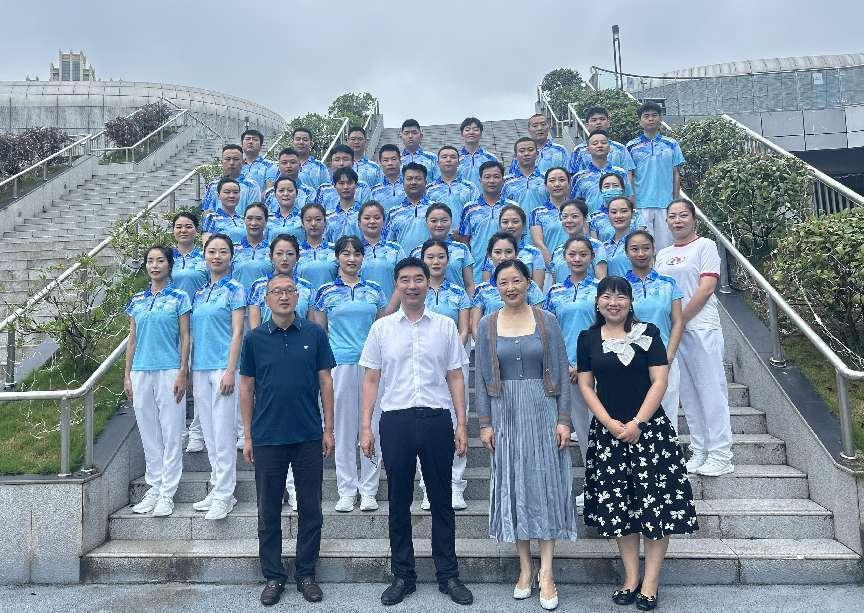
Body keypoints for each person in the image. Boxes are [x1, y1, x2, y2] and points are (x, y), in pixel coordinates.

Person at [577, 275, 697, 611]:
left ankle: (650, 583)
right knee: (621, 510)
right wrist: (609, 423)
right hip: (609, 435)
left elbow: (659, 380)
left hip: (650, 433)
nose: (613, 302)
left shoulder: (649, 333)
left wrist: (638, 423)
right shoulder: (588, 339)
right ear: (597, 302)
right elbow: (586, 385)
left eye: (620, 296)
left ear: (630, 302)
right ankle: (631, 578)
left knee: (655, 508)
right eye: (606, 296)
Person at [358, 257, 473, 607]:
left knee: (441, 500)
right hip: (396, 421)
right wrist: (365, 426)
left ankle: (448, 574)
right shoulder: (382, 329)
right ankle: (403, 576)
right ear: (396, 285)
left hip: (437, 419)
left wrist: (462, 423)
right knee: (398, 501)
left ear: (427, 283)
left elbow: (456, 376)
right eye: (405, 280)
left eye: (418, 279)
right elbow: (371, 379)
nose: (412, 286)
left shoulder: (445, 326)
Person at [475, 258, 577, 611]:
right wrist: (484, 423)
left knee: (546, 485)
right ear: (496, 287)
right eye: (503, 282)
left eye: (516, 280)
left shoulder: (546, 320)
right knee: (514, 485)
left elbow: (561, 371)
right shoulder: (487, 325)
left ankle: (547, 571)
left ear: (528, 283)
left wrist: (564, 419)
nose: (511, 288)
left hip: (542, 408)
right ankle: (525, 567)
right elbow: (481, 378)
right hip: (504, 412)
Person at [239, 273, 336, 606]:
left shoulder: (314, 333)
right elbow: (247, 387)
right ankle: (273, 576)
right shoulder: (254, 339)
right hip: (267, 436)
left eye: (289, 291)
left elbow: (326, 382)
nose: (283, 296)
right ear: (266, 299)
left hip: (307, 434)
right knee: (268, 511)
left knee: (311, 509)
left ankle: (306, 574)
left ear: (297, 296)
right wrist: (248, 435)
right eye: (276, 292)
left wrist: (328, 429)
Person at [656, 199, 734, 476]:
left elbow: (706, 288)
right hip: (674, 334)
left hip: (701, 327)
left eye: (683, 215)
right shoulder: (663, 254)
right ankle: (700, 450)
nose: (677, 221)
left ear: (693, 219)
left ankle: (721, 454)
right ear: (666, 222)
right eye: (672, 216)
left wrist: (681, 319)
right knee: (688, 393)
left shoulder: (705, 246)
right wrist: (672, 325)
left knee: (711, 390)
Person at [309, 236, 386, 513]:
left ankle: (369, 490)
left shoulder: (375, 290)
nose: (351, 258)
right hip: (338, 365)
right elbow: (320, 332)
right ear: (337, 257)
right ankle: (346, 489)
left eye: (356, 254)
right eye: (346, 253)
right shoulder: (325, 292)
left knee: (372, 426)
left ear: (363, 258)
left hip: (370, 366)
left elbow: (381, 330)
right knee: (341, 428)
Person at [248, 234, 316, 512]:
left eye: (290, 253)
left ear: (297, 257)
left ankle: (296, 491)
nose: (284, 258)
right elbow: (254, 324)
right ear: (271, 257)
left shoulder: (307, 288)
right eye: (279, 253)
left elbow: (311, 324)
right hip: (268, 356)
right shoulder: (259, 287)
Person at [124, 246, 192, 518]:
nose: (155, 265)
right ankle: (154, 487)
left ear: (169, 265)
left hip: (169, 370)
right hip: (141, 372)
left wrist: (183, 371)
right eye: (150, 261)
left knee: (171, 432)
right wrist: (127, 375)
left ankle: (167, 493)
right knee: (148, 432)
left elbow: (185, 336)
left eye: (160, 260)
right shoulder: (137, 300)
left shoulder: (180, 298)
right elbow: (132, 338)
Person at [190, 234, 246, 520]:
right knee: (210, 434)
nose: (216, 256)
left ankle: (225, 494)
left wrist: (230, 370)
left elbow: (238, 332)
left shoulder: (235, 289)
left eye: (223, 251)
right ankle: (217, 486)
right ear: (204, 256)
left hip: (223, 368)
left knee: (224, 433)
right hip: (200, 368)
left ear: (231, 257)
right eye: (212, 251)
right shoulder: (200, 293)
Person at [543, 237, 600, 508]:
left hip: (597, 367)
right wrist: (564, 364)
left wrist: (584, 364)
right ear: (564, 257)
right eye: (572, 254)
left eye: (583, 254)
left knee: (602, 427)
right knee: (584, 429)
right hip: (567, 370)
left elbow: (607, 326)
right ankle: (592, 486)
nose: (577, 259)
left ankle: (609, 485)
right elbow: (549, 331)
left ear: (591, 257)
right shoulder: (554, 292)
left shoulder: (602, 289)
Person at [419, 239, 472, 511]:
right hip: (424, 363)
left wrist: (449, 352)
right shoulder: (417, 291)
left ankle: (456, 484)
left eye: (440, 257)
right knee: (424, 421)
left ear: (448, 260)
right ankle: (427, 486)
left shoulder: (458, 292)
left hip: (454, 362)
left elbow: (464, 329)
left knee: (457, 418)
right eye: (430, 257)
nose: (436, 262)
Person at [625, 230, 684, 432]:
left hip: (664, 357)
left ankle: (669, 453)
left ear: (653, 250)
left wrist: (669, 355)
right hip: (630, 358)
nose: (641, 253)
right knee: (634, 414)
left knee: (667, 413)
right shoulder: (620, 286)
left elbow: (678, 321)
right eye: (634, 249)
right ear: (627, 252)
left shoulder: (668, 283)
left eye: (646, 248)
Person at [626, 102, 685, 249]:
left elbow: (676, 173)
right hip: (641, 204)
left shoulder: (671, 144)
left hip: (666, 204)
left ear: (660, 119)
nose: (650, 119)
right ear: (640, 121)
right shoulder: (631, 146)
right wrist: (631, 202)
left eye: (654, 115)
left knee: (666, 248)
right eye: (646, 116)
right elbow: (629, 175)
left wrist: (675, 200)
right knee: (642, 247)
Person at [456, 160, 520, 284]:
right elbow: (464, 241)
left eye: (496, 177)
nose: (491, 181)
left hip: (508, 270)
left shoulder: (513, 207)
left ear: (503, 180)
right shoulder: (469, 208)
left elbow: (519, 237)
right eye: (487, 177)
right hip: (477, 271)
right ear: (480, 180)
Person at [470, 233, 545, 336]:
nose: (503, 257)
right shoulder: (481, 290)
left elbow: (540, 321)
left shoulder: (530, 286)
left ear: (516, 254)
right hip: (492, 343)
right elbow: (476, 327)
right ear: (490, 255)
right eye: (497, 252)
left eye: (508, 252)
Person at [408, 203, 475, 295]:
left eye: (444, 220)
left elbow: (469, 285)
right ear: (426, 222)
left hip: (458, 302)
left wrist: (468, 303)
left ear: (451, 221)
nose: (439, 225)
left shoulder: (462, 249)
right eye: (434, 221)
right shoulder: (417, 252)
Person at [480, 204, 545, 288]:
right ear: (499, 225)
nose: (510, 226)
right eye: (505, 222)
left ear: (524, 225)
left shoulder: (534, 253)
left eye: (515, 222)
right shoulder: (492, 252)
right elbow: (487, 289)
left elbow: (537, 288)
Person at [569, 130, 633, 214]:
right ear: (588, 150)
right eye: (595, 143)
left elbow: (628, 197)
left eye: (603, 143)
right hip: (590, 220)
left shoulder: (620, 173)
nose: (600, 145)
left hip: (618, 219)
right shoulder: (579, 177)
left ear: (609, 148)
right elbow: (574, 205)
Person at [547, 200, 607, 284]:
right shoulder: (558, 250)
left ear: (585, 218)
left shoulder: (596, 246)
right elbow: (555, 281)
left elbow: (601, 280)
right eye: (565, 217)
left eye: (574, 216)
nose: (569, 220)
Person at [567, 106, 636, 175]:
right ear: (587, 125)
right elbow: (572, 176)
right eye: (594, 120)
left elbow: (628, 175)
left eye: (602, 119)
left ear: (608, 123)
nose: (598, 122)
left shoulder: (620, 149)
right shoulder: (578, 151)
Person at [358, 200, 405, 299]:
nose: (372, 221)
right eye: (367, 218)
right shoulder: (353, 251)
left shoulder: (395, 250)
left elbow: (404, 282)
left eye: (377, 218)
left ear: (383, 222)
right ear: (359, 223)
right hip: (362, 306)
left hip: (391, 305)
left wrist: (392, 306)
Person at [427, 145, 479, 232]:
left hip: (463, 237)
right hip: (436, 236)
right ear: (438, 163)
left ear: (458, 163)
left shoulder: (470, 188)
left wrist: (463, 232)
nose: (448, 160)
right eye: (444, 157)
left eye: (453, 157)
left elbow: (476, 214)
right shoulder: (429, 190)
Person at [382, 163, 432, 254]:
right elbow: (387, 244)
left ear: (425, 182)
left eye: (418, 179)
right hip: (403, 261)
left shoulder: (435, 209)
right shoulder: (393, 213)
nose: (413, 182)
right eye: (409, 179)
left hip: (430, 260)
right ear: (403, 182)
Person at [200, 144, 262, 216]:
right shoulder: (212, 186)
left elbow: (254, 213)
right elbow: (206, 212)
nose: (231, 163)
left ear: (243, 162)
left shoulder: (252, 186)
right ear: (222, 162)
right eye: (228, 159)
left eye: (236, 159)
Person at [528, 167, 571, 265]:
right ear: (546, 185)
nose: (557, 184)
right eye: (552, 181)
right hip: (549, 267)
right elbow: (538, 243)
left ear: (569, 184)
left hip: (577, 265)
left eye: (562, 180)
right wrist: (552, 266)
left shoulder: (578, 210)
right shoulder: (537, 213)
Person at [597, 194, 648, 277]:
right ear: (608, 216)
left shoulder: (641, 244)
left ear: (632, 214)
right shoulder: (604, 247)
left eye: (624, 211)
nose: (618, 216)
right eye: (614, 212)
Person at [588, 173, 647, 244]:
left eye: (615, 186)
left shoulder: (635, 214)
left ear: (622, 189)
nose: (611, 189)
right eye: (607, 186)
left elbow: (641, 238)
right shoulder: (594, 217)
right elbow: (595, 245)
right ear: (601, 190)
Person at [295, 203, 337, 296]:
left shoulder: (335, 250)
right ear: (302, 223)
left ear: (325, 222)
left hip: (331, 300)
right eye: (308, 220)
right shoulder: (295, 252)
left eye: (318, 220)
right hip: (303, 300)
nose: (313, 224)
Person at [315, 144, 372, 212]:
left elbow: (367, 213)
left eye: (345, 159)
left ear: (353, 162)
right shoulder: (324, 189)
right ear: (331, 163)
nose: (341, 163)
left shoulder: (362, 187)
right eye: (337, 160)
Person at [231, 203, 272, 293]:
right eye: (249, 218)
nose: (253, 223)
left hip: (265, 299)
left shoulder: (274, 250)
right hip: (237, 299)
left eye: (259, 219)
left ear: (266, 221)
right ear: (244, 220)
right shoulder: (232, 250)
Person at [170, 212, 208, 302]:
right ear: (173, 230)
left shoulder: (206, 258)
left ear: (196, 230)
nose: (183, 230)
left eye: (188, 227)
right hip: (170, 309)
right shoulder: (165, 258)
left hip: (198, 308)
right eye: (179, 227)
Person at [322, 167, 364, 243]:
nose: (345, 187)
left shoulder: (364, 215)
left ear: (356, 185)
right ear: (334, 186)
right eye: (341, 183)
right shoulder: (328, 217)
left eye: (349, 183)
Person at [501, 137, 545, 209]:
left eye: (530, 150)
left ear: (537, 154)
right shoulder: (506, 182)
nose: (526, 154)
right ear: (515, 156)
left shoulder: (546, 179)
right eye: (522, 151)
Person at [201, 178, 247, 244]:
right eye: (227, 192)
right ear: (218, 196)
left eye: (235, 192)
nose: (232, 196)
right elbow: (207, 246)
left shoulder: (243, 219)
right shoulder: (211, 218)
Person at [457, 117, 499, 188]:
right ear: (462, 134)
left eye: (475, 130)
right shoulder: (455, 159)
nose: (471, 132)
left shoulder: (491, 159)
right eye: (467, 130)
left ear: (481, 134)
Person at [264, 176, 305, 243]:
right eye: (281, 190)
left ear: (297, 193)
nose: (286, 194)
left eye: (290, 190)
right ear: (275, 194)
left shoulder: (304, 218)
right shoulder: (268, 219)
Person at [370, 144, 406, 213]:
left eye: (394, 159)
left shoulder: (410, 186)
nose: (390, 163)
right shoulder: (375, 191)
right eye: (386, 160)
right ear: (380, 163)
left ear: (400, 161)